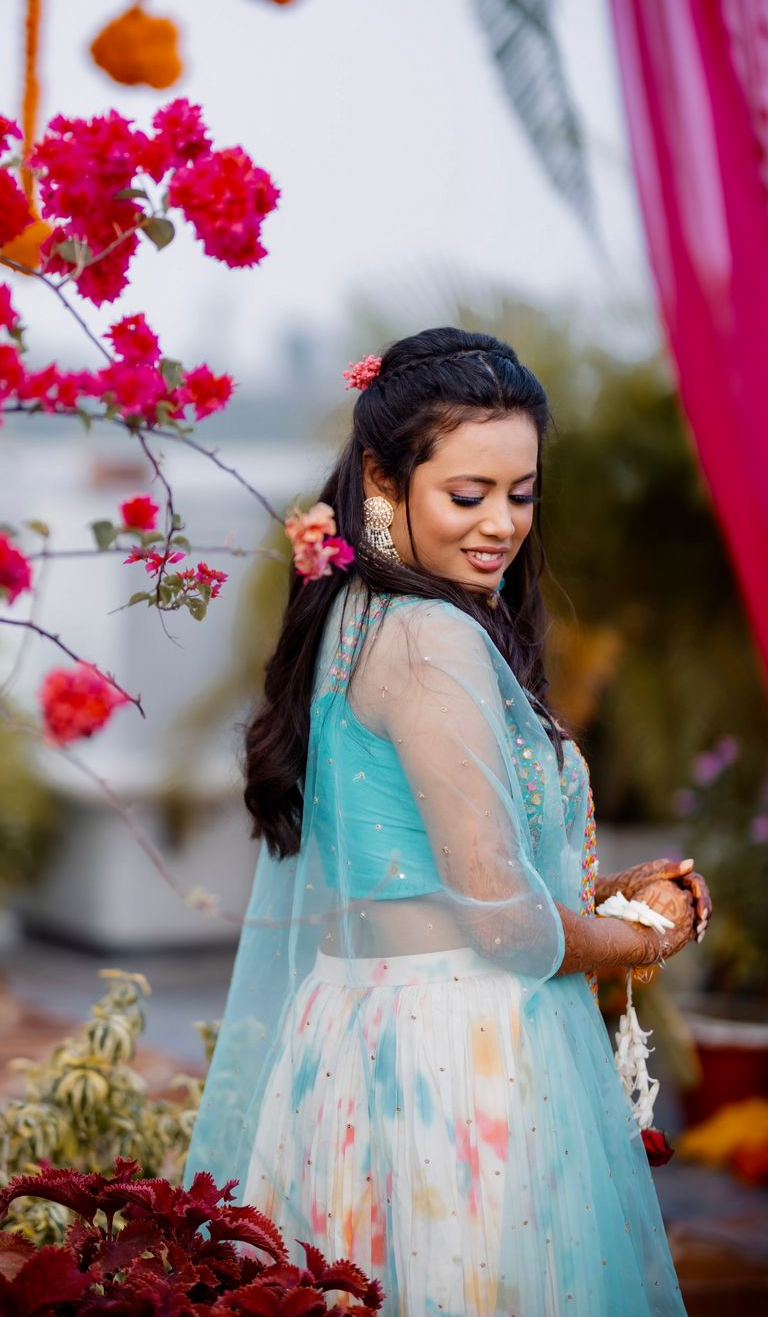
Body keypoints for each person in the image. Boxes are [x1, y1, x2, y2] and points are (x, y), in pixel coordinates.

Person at [184, 327, 711, 1315]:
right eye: (466, 495)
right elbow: (506, 926)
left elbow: (443, 872)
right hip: (454, 1056)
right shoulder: (432, 640)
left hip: (355, 1033)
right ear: (382, 482)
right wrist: (651, 933)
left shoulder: (351, 610)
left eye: (519, 493)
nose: (500, 525)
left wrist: (593, 899)